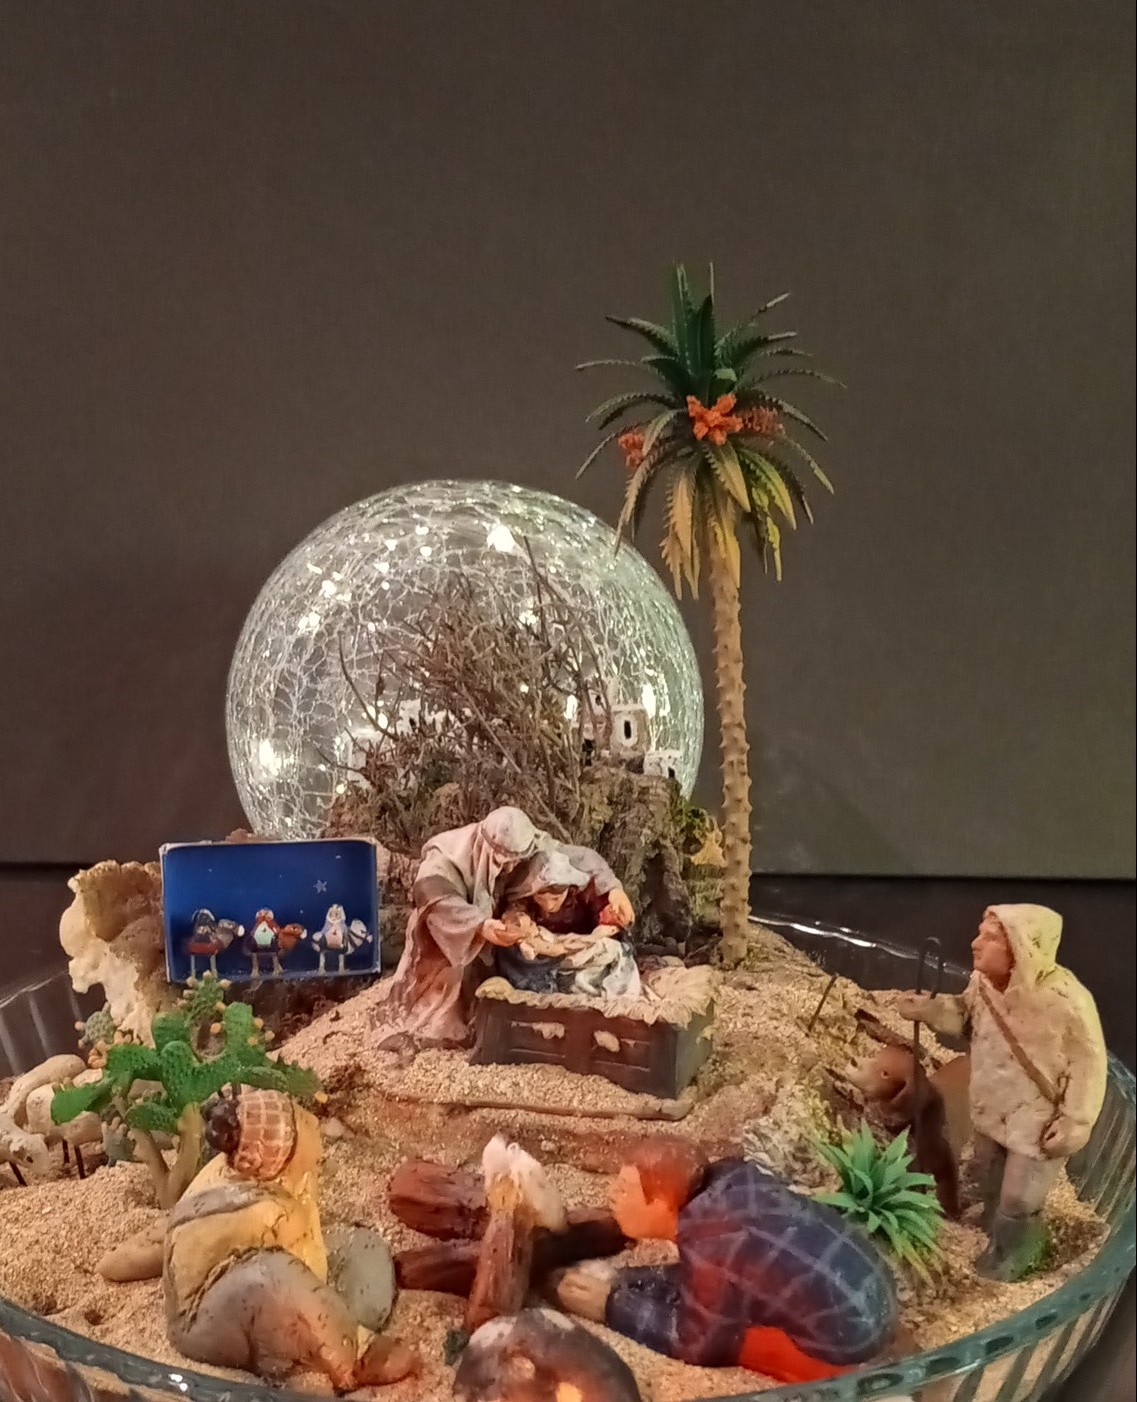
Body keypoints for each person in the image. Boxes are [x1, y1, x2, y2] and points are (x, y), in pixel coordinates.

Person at [899, 904, 1107, 1280]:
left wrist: (1076, 1121)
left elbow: (1088, 1066)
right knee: (987, 1173)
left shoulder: (1067, 1003)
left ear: (1022, 947)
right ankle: (990, 1227)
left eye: (991, 938)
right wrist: (930, 1010)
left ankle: (1015, 1253)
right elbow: (965, 1018)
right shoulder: (981, 985)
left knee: (1019, 1196)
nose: (975, 943)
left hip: (1037, 1119)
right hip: (993, 1106)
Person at [378, 807, 547, 1046]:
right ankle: (437, 1026)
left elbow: (516, 889)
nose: (509, 868)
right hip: (443, 935)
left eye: (515, 861)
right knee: (441, 997)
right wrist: (479, 925)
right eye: (502, 861)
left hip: (487, 937)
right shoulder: (446, 854)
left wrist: (515, 915)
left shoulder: (521, 857)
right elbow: (434, 898)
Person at [494, 844, 639, 998]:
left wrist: (609, 918)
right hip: (544, 952)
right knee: (514, 951)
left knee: (613, 950)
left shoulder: (581, 895)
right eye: (541, 897)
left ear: (569, 888)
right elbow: (516, 922)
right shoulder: (525, 902)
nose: (549, 905)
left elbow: (603, 921)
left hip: (579, 949)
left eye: (556, 898)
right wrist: (523, 931)